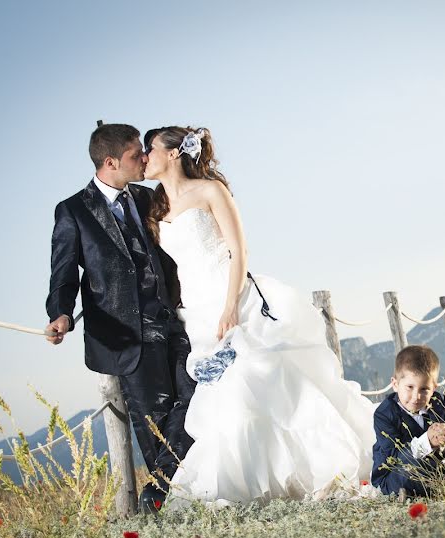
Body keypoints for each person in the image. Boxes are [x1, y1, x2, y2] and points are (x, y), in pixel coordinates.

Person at [141, 126, 378, 507]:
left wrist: (231, 306)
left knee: (259, 378)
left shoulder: (210, 191)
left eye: (149, 149)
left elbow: (239, 250)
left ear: (172, 153)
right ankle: (242, 482)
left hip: (230, 297)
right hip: (196, 309)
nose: (144, 157)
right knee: (224, 396)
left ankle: (298, 472)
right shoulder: (156, 205)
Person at [45, 124, 196, 513]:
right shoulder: (73, 210)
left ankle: (158, 494)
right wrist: (60, 314)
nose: (144, 158)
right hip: (124, 334)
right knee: (156, 422)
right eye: (135, 154)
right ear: (110, 162)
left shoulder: (148, 197)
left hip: (172, 318)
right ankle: (164, 500)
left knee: (198, 394)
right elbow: (64, 274)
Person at [371, 345, 445, 497]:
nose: (416, 396)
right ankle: (435, 486)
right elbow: (393, 456)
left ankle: (441, 484)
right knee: (413, 473)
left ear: (434, 388)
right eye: (410, 387)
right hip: (396, 472)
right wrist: (427, 441)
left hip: (434, 465)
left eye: (424, 389)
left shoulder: (437, 402)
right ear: (395, 384)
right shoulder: (384, 415)